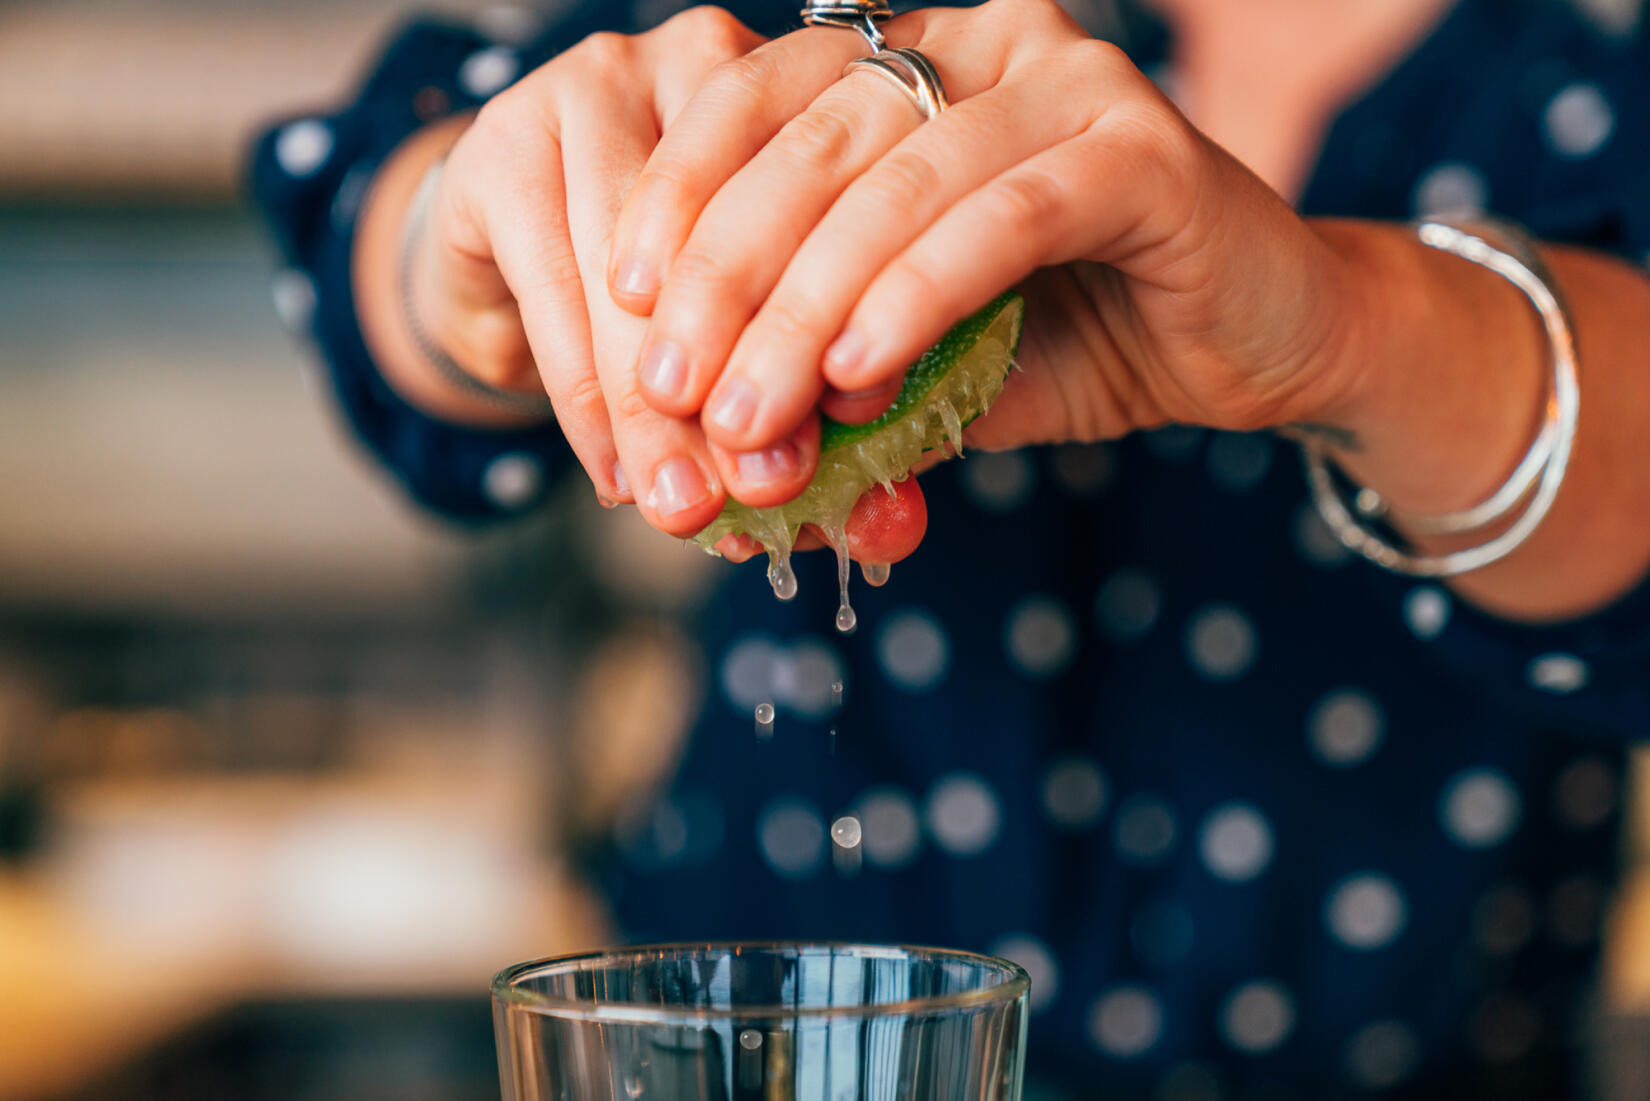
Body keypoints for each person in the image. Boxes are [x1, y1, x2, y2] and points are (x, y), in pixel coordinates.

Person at [251, 0, 1650, 1095]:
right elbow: (397, 206)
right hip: (743, 1056)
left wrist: (1351, 326)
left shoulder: (1589, 82)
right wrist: (462, 236)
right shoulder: (834, 17)